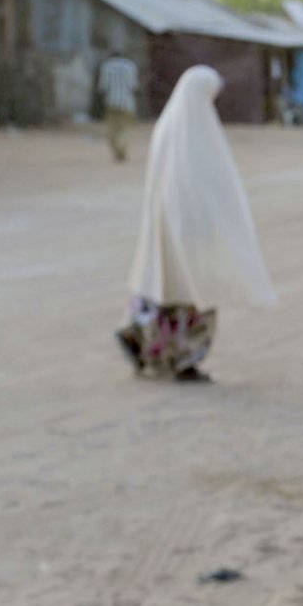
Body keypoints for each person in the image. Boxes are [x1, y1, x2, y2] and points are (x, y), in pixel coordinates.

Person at [116, 66, 276, 382]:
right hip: (191, 226)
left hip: (162, 223)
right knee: (194, 292)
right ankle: (184, 359)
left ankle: (141, 338)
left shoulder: (166, 124)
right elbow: (213, 184)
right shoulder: (199, 129)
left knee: (160, 285)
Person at [98, 47, 140, 161]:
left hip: (111, 102)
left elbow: (102, 87)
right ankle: (121, 148)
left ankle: (118, 151)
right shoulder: (130, 65)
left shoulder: (106, 66)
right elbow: (134, 86)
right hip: (127, 103)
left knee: (112, 129)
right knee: (126, 128)